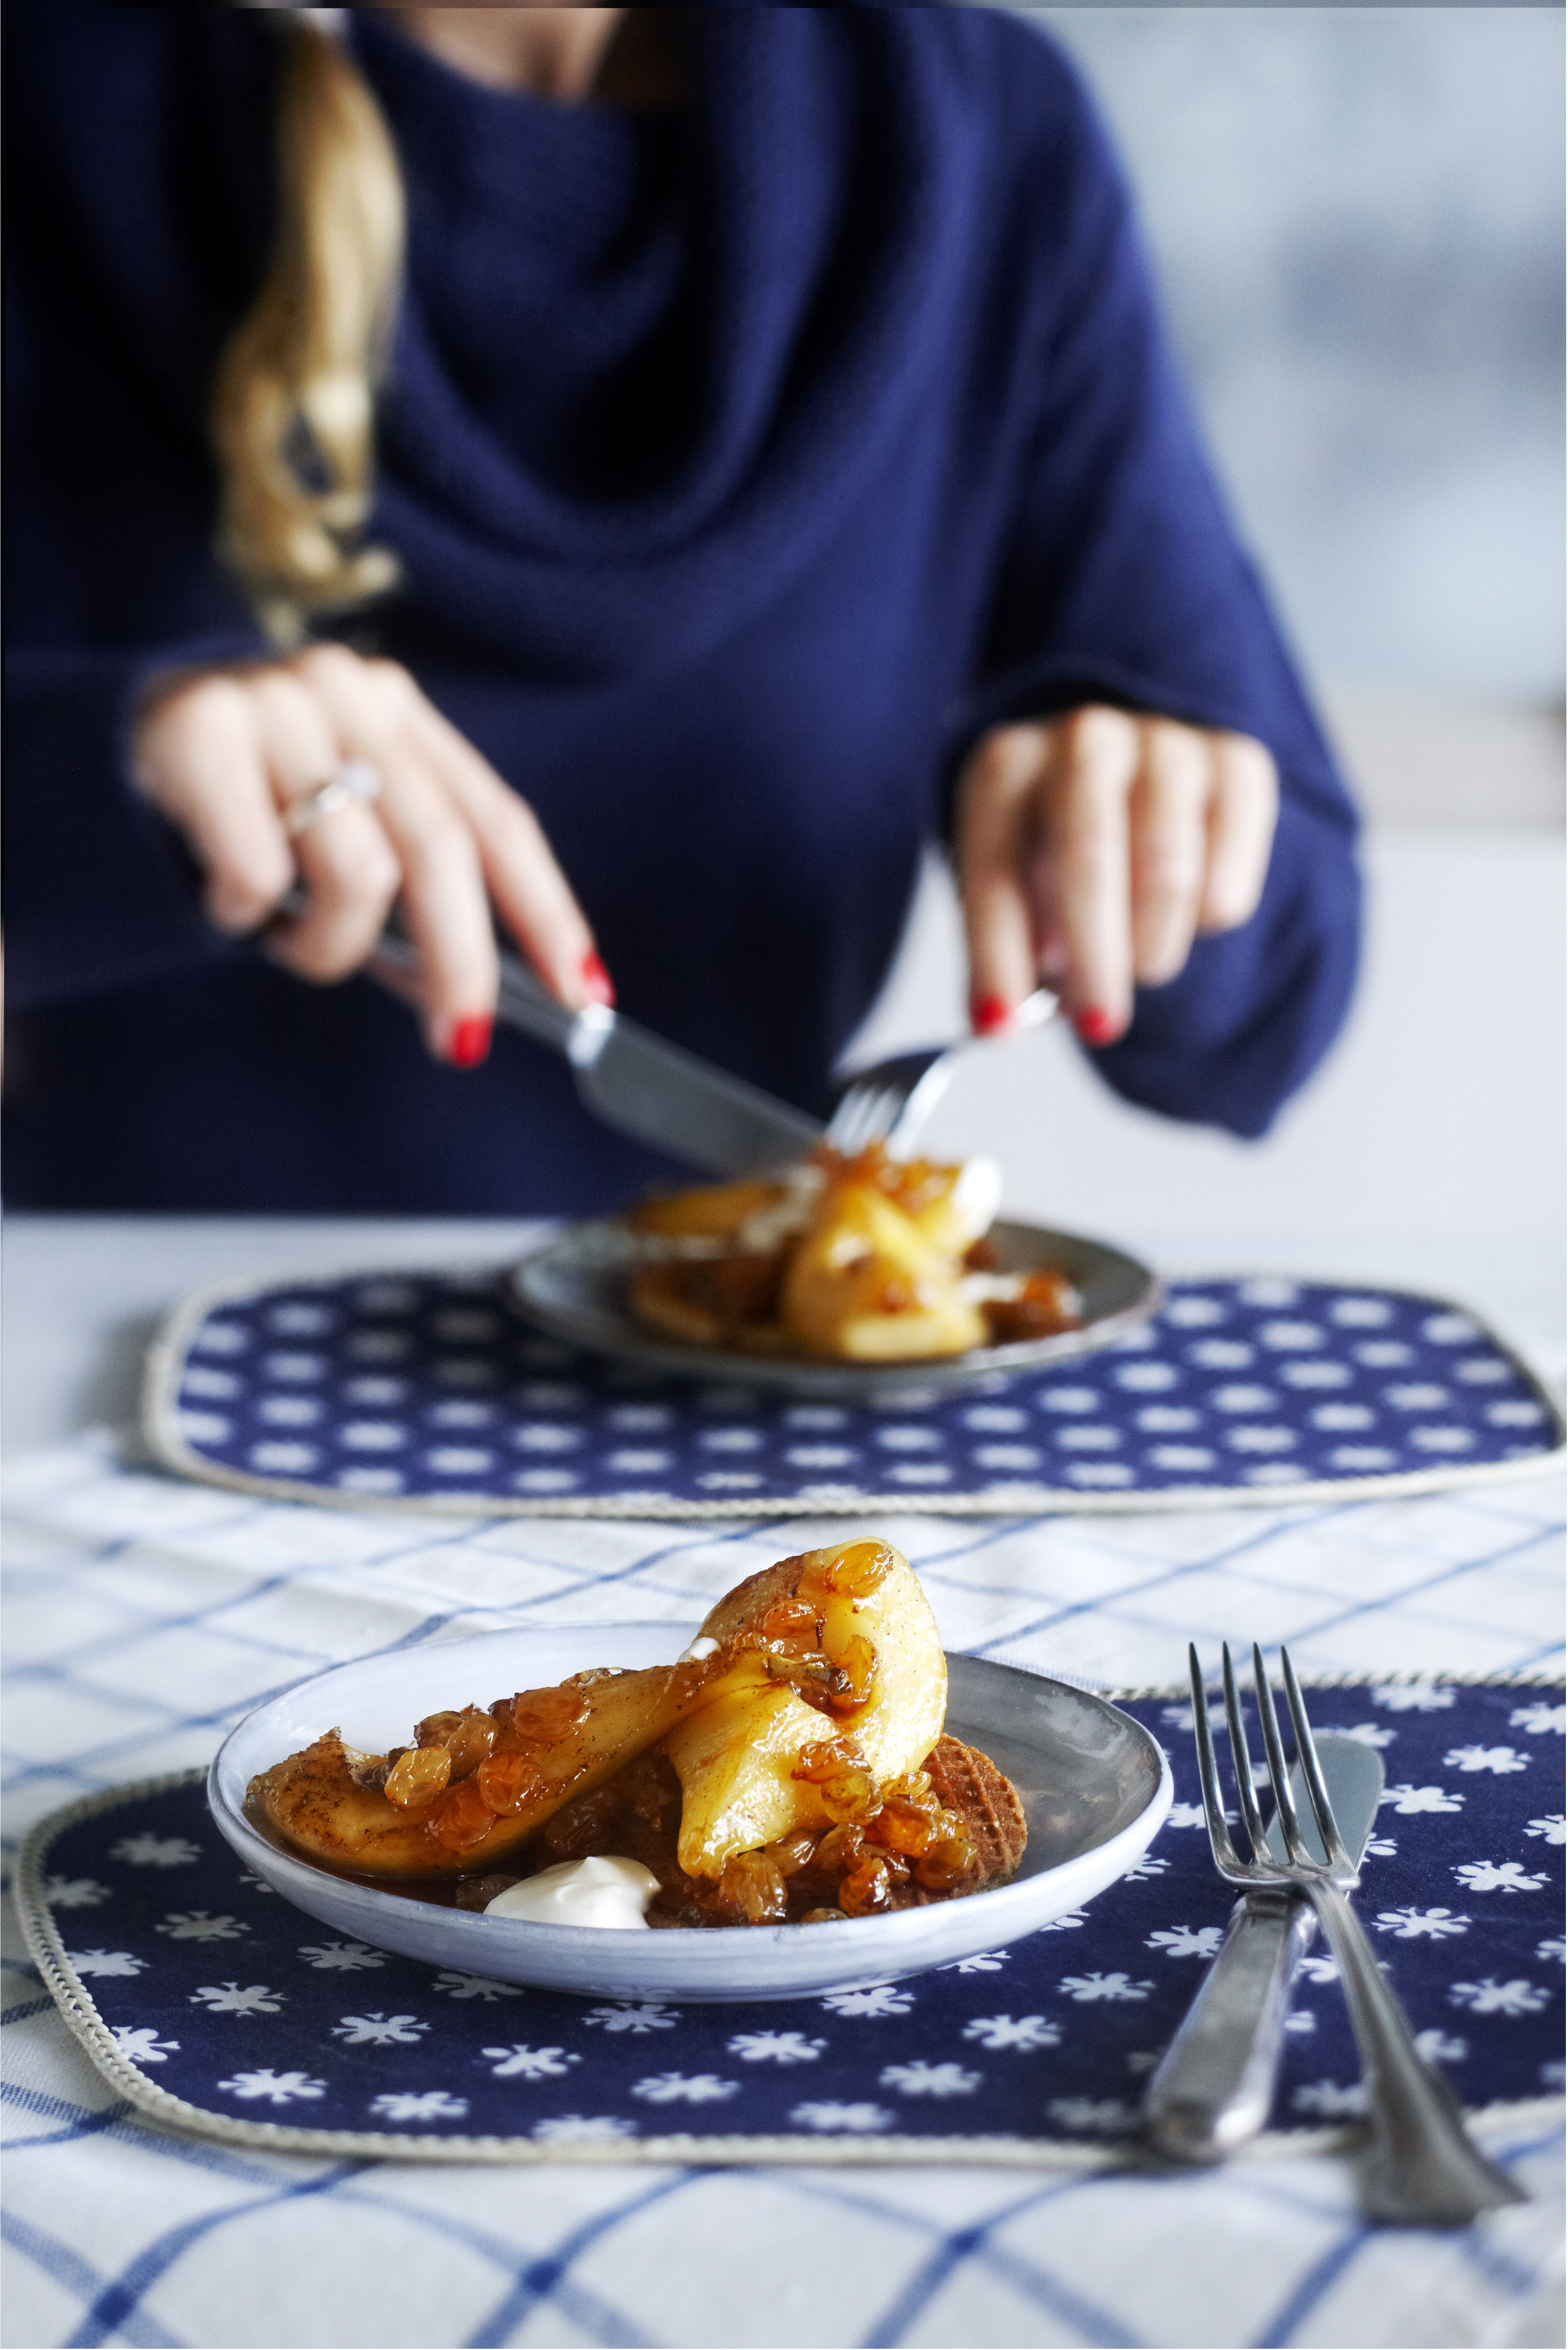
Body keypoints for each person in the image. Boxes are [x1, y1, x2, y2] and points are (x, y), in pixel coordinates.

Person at [3, 3, 1360, 1214]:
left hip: (730, 1367)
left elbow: (1278, 1018)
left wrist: (1158, 840)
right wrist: (104, 772)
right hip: (93, 1355)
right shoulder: (48, 85)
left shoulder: (987, 139)